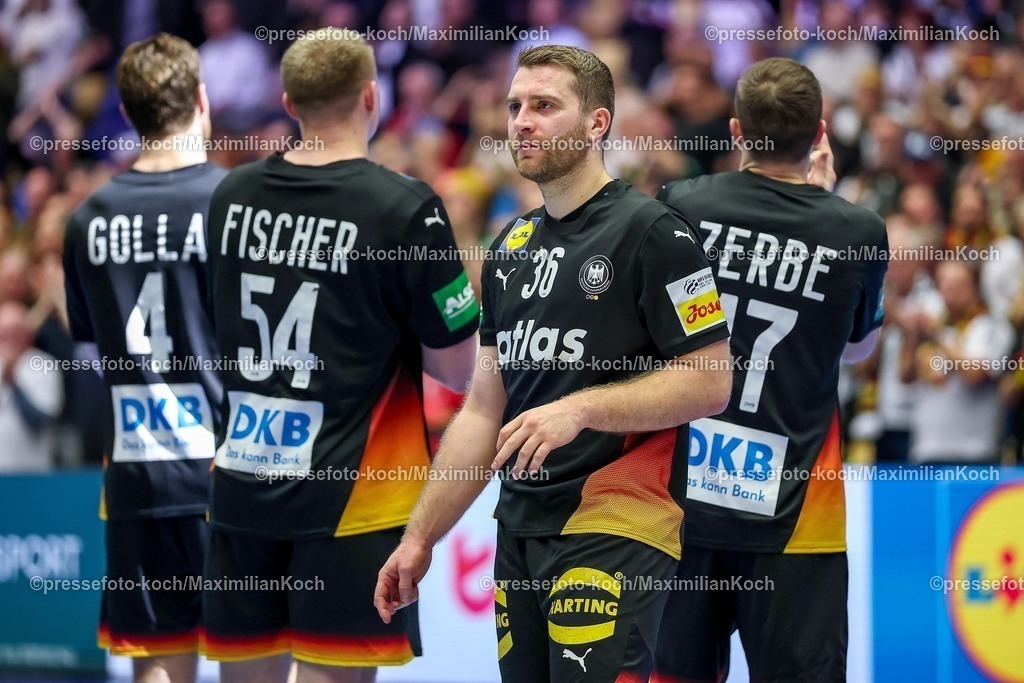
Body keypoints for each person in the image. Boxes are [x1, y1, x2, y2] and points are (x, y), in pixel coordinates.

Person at [376, 45, 733, 683]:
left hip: (617, 517)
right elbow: (485, 407)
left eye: (544, 106)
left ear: (597, 124)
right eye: (515, 106)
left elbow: (711, 380)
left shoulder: (657, 234)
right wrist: (421, 537)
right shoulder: (510, 246)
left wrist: (581, 408)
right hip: (520, 527)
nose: (521, 122)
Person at [201, 30, 478, 683]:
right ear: (371, 95)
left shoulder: (230, 196)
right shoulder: (404, 208)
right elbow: (458, 368)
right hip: (355, 499)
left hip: (241, 482)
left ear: (288, 98)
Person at [653, 57, 889, 683]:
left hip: (680, 501)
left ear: (735, 132)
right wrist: (821, 207)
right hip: (796, 513)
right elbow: (859, 350)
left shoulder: (681, 205)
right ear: (820, 134)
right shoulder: (856, 231)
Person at [62, 33, 225, 683]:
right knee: (260, 656)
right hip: (234, 471)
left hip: (136, 475)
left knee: (157, 658)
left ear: (126, 114)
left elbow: (90, 349)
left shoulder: (85, 219)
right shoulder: (235, 202)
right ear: (202, 100)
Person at [0, 300, 63, 471]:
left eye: (14, 332)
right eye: (3, 332)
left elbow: (39, 423)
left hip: (33, 472)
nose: (8, 339)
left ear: (27, 334)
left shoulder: (43, 364)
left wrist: (13, 382)